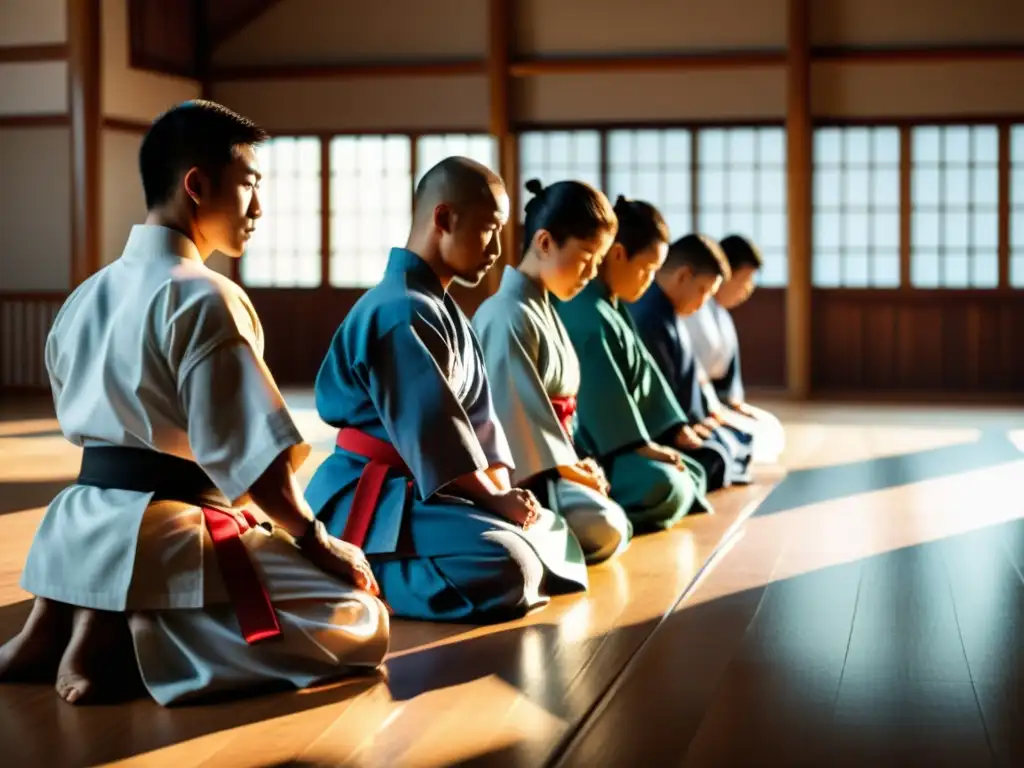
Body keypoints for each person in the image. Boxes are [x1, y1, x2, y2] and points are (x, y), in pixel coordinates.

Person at [0, 100, 390, 707]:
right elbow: (254, 464)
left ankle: (80, 615)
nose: (259, 208)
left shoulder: (84, 295)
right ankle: (140, 640)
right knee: (359, 618)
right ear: (197, 186)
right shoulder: (206, 296)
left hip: (75, 521)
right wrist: (318, 540)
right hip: (167, 529)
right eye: (250, 187)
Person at [304, 157, 588, 623]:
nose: (498, 248)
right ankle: (359, 571)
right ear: (444, 218)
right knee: (508, 563)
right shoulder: (399, 310)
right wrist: (495, 501)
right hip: (374, 498)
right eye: (489, 229)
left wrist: (503, 492)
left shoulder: (442, 308)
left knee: (550, 533)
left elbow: (479, 425)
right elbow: (435, 435)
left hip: (432, 489)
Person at [472, 179, 632, 565]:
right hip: (520, 477)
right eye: (585, 258)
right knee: (607, 525)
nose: (592, 273)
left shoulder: (540, 306)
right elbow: (516, 420)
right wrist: (570, 470)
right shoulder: (506, 313)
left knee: (616, 520)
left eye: (598, 262)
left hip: (553, 462)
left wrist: (576, 462)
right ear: (544, 243)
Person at [554, 195, 721, 533]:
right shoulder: (585, 310)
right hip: (599, 450)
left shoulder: (610, 303)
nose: (649, 281)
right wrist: (644, 446)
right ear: (618, 254)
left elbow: (646, 377)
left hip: (628, 439)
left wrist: (672, 428)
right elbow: (600, 401)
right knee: (667, 483)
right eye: (646, 269)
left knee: (698, 468)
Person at [628, 233, 754, 486]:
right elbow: (655, 388)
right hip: (664, 431)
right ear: (683, 276)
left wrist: (703, 417)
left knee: (735, 442)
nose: (704, 301)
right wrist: (678, 427)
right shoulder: (651, 316)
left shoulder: (668, 311)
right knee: (716, 455)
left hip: (688, 421)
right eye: (703, 291)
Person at [683, 233, 785, 463]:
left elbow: (729, 378)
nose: (748, 289)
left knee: (770, 427)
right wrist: (712, 410)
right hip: (698, 405)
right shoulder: (692, 309)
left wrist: (736, 404)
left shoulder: (721, 315)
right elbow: (690, 371)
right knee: (753, 438)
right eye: (744, 279)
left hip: (718, 401)